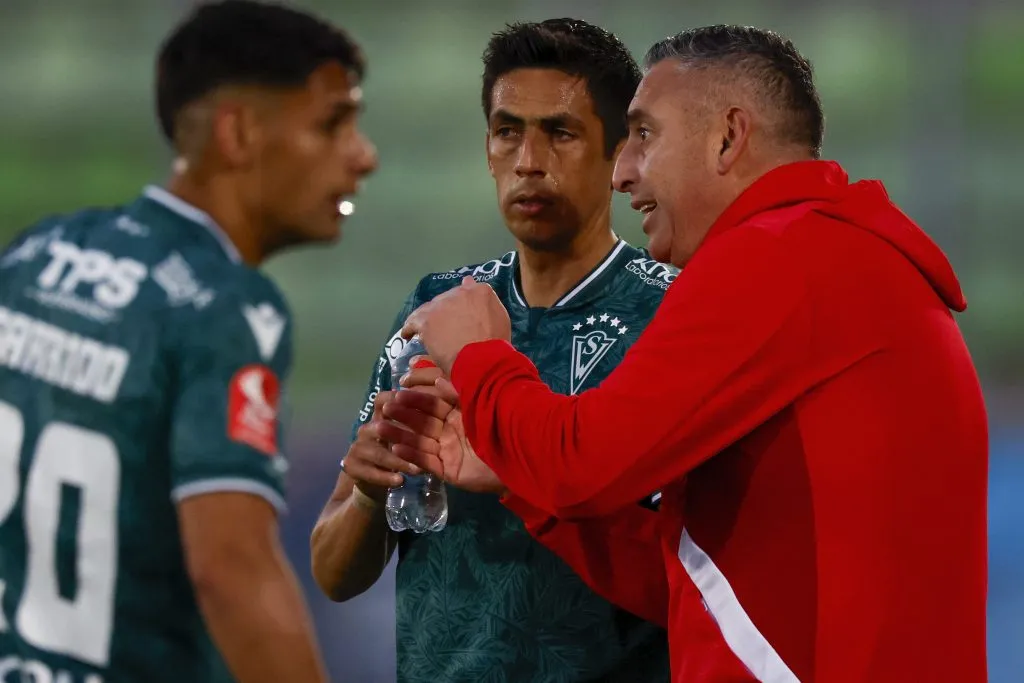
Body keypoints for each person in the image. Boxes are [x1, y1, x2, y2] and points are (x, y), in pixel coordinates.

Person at [380, 24, 989, 683]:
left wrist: (479, 353)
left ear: (728, 137)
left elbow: (581, 467)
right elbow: (689, 580)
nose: (621, 172)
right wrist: (515, 480)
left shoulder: (773, 258)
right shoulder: (840, 260)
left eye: (644, 134)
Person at [0, 2, 377, 682]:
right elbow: (231, 570)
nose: (364, 156)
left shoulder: (35, 254)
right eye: (333, 124)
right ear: (239, 134)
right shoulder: (224, 305)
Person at [309, 19, 672, 683]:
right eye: (509, 131)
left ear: (617, 154)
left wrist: (522, 465)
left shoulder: (673, 312)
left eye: (559, 133)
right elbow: (334, 573)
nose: (528, 160)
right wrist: (365, 494)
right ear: (488, 147)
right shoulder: (436, 307)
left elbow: (699, 574)